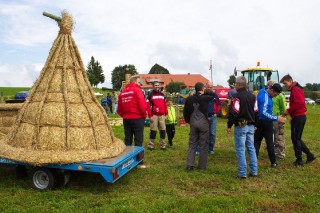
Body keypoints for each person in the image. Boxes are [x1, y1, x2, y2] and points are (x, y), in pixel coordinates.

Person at [280, 74, 316, 166]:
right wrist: (292, 116)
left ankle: (299, 160)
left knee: (296, 139)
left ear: (290, 81)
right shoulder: (296, 88)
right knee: (296, 138)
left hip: (299, 117)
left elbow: (299, 104)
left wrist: (288, 111)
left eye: (285, 83)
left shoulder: (295, 89)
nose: (285, 85)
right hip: (298, 116)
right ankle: (310, 155)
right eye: (284, 84)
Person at [227, 76, 258, 179]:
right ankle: (254, 171)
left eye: (235, 84)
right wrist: (255, 124)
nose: (235, 85)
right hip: (251, 125)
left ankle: (242, 173)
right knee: (251, 148)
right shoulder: (253, 96)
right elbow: (256, 111)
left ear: (239, 84)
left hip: (241, 125)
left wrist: (229, 124)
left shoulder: (236, 96)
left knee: (240, 149)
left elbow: (234, 111)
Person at [183, 82, 215, 171]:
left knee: (192, 144)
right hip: (203, 123)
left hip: (193, 123)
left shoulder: (189, 99)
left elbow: (185, 111)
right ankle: (201, 166)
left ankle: (190, 165)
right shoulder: (205, 98)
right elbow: (213, 94)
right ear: (202, 89)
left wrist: (188, 121)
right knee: (203, 145)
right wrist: (206, 91)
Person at [254, 83, 286, 168]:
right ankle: (273, 162)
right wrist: (276, 118)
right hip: (265, 121)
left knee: (257, 141)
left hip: (260, 121)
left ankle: (255, 160)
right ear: (271, 90)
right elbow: (263, 113)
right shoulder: (266, 98)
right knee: (267, 142)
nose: (275, 96)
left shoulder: (262, 91)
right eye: (275, 94)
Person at [117, 75, 147, 148]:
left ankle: (127, 158)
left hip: (126, 119)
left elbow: (119, 109)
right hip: (137, 118)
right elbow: (142, 105)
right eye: (139, 82)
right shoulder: (137, 90)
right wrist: (144, 116)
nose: (140, 84)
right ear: (135, 81)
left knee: (128, 140)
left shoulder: (122, 92)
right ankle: (139, 159)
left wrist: (125, 115)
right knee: (138, 140)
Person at [196, 82, 220, 155]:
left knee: (212, 133)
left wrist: (216, 112)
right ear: (205, 87)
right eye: (208, 87)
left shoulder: (215, 95)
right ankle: (199, 149)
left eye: (211, 87)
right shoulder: (202, 95)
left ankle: (211, 148)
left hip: (213, 117)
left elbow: (219, 104)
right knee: (201, 133)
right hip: (203, 117)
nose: (209, 88)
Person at [147, 81, 168, 150]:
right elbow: (148, 106)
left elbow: (165, 105)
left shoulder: (162, 94)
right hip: (154, 115)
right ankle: (151, 145)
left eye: (158, 85)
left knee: (163, 130)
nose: (157, 86)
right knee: (153, 130)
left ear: (160, 86)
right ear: (153, 86)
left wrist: (166, 113)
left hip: (161, 115)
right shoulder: (150, 95)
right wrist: (150, 116)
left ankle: (163, 145)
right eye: (155, 85)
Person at [272, 84, 287, 159]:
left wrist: (283, 118)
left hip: (278, 118)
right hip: (270, 118)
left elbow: (283, 109)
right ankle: (274, 151)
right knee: (272, 137)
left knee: (279, 136)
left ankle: (280, 153)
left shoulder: (280, 96)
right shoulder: (269, 95)